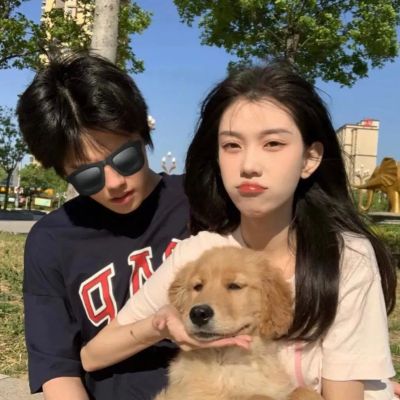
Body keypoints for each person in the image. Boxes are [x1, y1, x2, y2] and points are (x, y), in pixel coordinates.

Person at [80, 63, 397, 400]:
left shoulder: (345, 258)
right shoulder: (200, 255)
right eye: (232, 145)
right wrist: (160, 324)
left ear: (309, 159)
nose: (248, 165)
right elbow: (93, 354)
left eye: (273, 143)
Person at [16, 52, 190, 400]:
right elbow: (58, 370)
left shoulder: (199, 201)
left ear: (143, 134)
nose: (114, 183)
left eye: (125, 158)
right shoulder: (51, 240)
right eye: (87, 176)